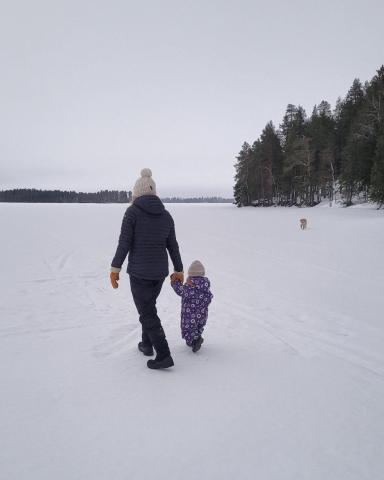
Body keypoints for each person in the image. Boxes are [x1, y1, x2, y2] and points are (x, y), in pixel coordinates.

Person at [110, 168, 183, 369]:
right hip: (159, 274)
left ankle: (164, 354)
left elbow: (124, 242)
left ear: (136, 193)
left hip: (140, 273)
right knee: (148, 306)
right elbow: (173, 246)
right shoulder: (166, 215)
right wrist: (179, 270)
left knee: (147, 312)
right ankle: (147, 344)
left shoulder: (132, 212)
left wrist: (115, 268)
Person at [170, 260, 213, 352]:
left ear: (191, 275)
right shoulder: (205, 287)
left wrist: (174, 282)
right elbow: (209, 298)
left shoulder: (189, 287)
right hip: (202, 314)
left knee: (187, 328)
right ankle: (197, 337)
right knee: (198, 326)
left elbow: (180, 290)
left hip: (190, 314)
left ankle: (194, 340)